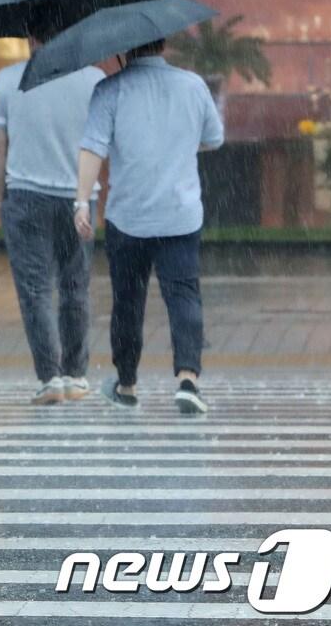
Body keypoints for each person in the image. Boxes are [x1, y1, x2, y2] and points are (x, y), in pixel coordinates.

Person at [73, 39, 224, 414]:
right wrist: (176, 146)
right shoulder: (193, 85)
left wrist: (81, 201)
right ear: (164, 44)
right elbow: (214, 138)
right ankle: (188, 379)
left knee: (127, 302)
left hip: (129, 216)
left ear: (124, 48)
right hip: (179, 214)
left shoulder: (110, 89)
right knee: (184, 295)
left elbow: (93, 147)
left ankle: (126, 384)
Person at [0, 21, 104, 405]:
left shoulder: (7, 79)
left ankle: (49, 377)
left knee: (35, 289)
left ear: (30, 36)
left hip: (26, 195)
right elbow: (101, 142)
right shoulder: (93, 80)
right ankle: (75, 373)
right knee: (75, 286)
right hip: (79, 197)